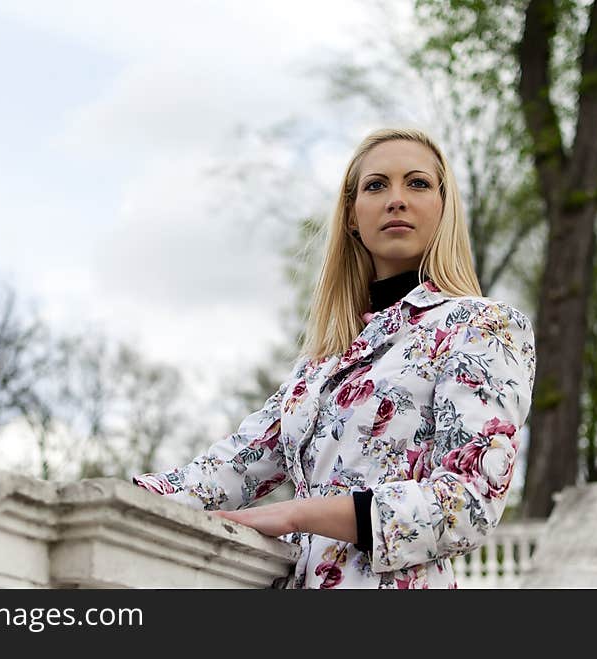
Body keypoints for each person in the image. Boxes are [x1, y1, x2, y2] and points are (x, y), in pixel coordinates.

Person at [133, 127, 536, 589]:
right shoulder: (321, 364)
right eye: (376, 185)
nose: (396, 199)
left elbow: (468, 503)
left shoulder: (481, 325)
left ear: (444, 208)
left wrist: (301, 514)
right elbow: (231, 467)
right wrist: (123, 498)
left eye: (418, 183)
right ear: (351, 215)